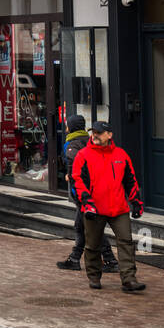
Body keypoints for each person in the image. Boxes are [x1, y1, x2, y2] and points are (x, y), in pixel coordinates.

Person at [71, 120, 146, 294]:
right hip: (94, 208)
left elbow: (130, 180)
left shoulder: (121, 155)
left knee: (126, 242)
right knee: (93, 244)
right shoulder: (83, 155)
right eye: (93, 132)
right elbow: (78, 180)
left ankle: (129, 279)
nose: (94, 135)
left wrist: (136, 201)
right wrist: (86, 202)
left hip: (118, 208)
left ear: (109, 135)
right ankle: (94, 276)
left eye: (98, 132)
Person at [56, 114, 118, 273]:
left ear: (71, 127)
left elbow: (76, 164)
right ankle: (75, 258)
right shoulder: (88, 140)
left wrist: (71, 176)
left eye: (68, 124)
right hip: (93, 189)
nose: (66, 127)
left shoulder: (72, 143)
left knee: (91, 226)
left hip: (82, 191)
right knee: (81, 225)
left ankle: (110, 259)